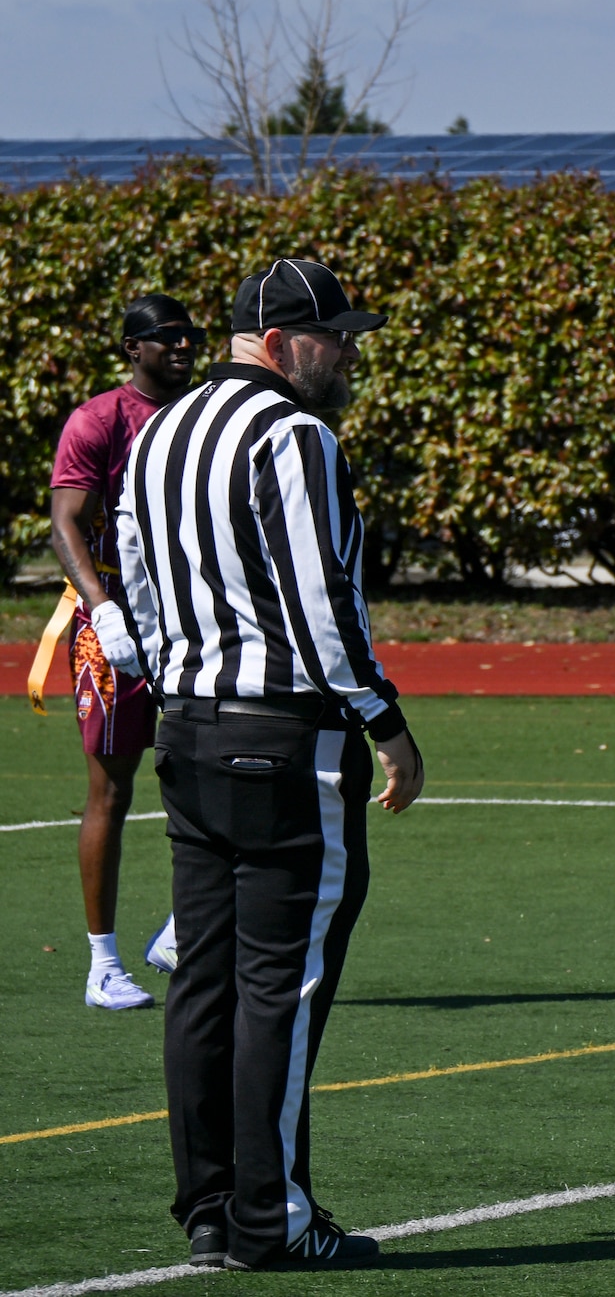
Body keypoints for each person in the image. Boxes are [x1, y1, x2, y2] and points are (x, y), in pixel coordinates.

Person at [117, 259, 424, 1271]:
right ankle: (270, 1218)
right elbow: (318, 599)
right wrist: (385, 719)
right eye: (334, 335)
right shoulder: (294, 436)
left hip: (191, 727)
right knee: (278, 985)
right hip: (285, 741)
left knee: (203, 979)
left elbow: (136, 580)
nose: (347, 353)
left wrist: (178, 686)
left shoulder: (161, 428)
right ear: (282, 339)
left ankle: (210, 1208)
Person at [41, 296, 201, 1009]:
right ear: (132, 349)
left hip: (187, 618)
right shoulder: (98, 420)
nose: (182, 347)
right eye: (166, 338)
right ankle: (102, 962)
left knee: (209, 762)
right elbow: (65, 522)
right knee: (112, 784)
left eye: (189, 336)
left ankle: (184, 926)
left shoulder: (199, 414)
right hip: (112, 621)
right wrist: (102, 614)